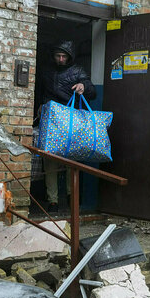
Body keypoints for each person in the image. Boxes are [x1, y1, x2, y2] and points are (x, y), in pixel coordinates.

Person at [35, 40, 96, 212]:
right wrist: (40, 104)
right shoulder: (46, 70)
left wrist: (84, 86)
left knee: (71, 158)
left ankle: (72, 196)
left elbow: (92, 91)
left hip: (70, 120)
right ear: (53, 55)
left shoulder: (78, 71)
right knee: (50, 159)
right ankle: (52, 200)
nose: (61, 59)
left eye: (64, 56)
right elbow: (39, 91)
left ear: (70, 57)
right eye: (58, 56)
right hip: (51, 119)